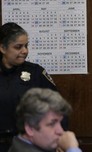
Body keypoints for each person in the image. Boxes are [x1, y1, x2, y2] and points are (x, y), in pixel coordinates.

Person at [0, 22, 57, 152]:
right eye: (18, 47)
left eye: (26, 46)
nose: (25, 51)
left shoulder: (36, 73)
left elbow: (56, 107)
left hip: (28, 145)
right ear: (3, 48)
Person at [8, 88, 81, 152]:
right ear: (30, 128)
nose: (61, 131)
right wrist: (72, 149)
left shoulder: (19, 143)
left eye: (60, 122)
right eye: (52, 124)